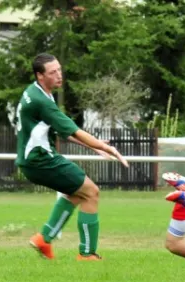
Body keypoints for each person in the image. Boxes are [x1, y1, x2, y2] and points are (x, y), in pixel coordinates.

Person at [16, 53, 129, 260]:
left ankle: (44, 239)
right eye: (53, 72)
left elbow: (63, 131)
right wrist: (106, 146)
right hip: (41, 160)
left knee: (78, 193)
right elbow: (74, 130)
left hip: (34, 160)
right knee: (92, 192)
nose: (59, 75)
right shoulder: (42, 101)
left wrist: (94, 148)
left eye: (59, 69)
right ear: (40, 75)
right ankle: (87, 255)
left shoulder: (34, 92)